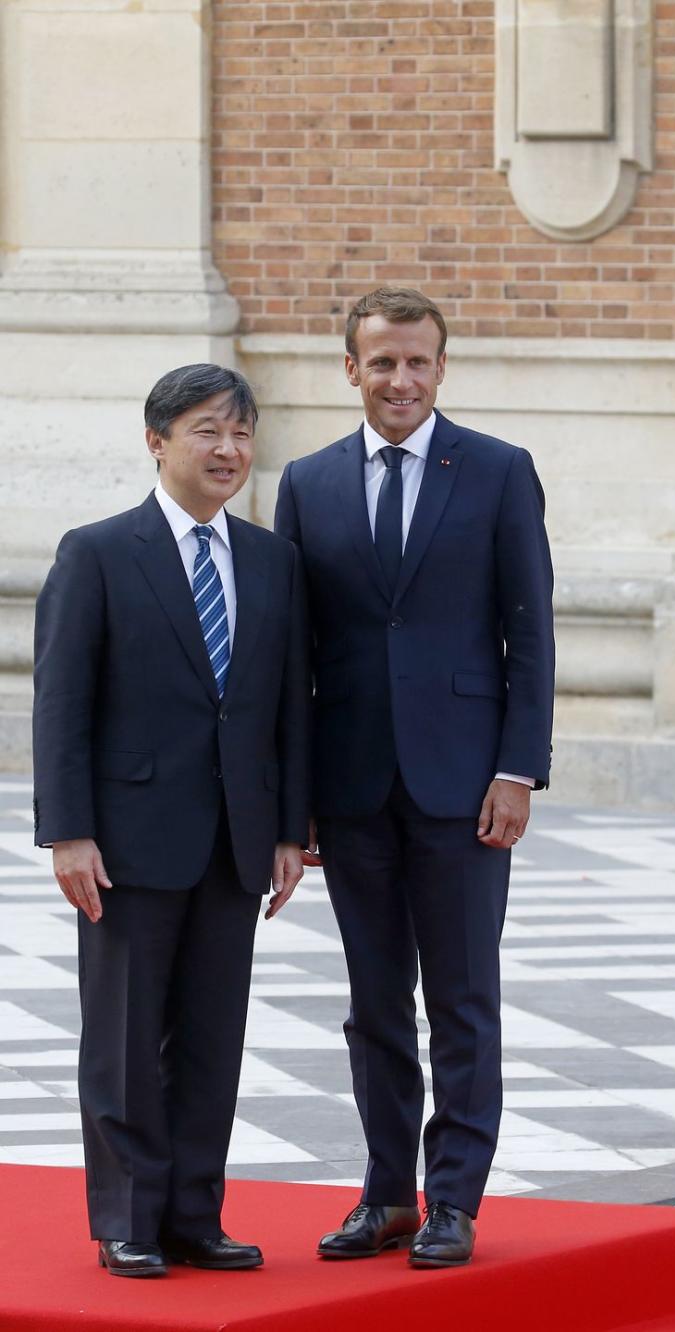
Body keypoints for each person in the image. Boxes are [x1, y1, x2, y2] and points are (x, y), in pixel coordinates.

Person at [275, 287, 554, 1268]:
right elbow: (294, 653)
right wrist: (295, 797)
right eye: (382, 362)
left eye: (418, 362)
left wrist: (518, 768)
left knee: (464, 1000)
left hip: (466, 784)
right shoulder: (306, 485)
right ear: (351, 369)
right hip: (352, 790)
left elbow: (532, 634)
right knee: (374, 1002)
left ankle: (455, 1200)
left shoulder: (497, 473)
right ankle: (388, 1191)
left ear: (442, 367)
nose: (401, 379)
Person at [33, 364, 311, 1277]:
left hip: (236, 839)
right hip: (125, 841)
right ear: (157, 441)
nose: (227, 449)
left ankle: (196, 1214)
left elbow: (286, 708)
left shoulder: (271, 560)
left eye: (239, 432)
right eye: (205, 431)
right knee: (122, 1037)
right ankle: (126, 1218)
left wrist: (289, 829)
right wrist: (67, 831)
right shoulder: (99, 552)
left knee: (209, 1037)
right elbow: (61, 703)